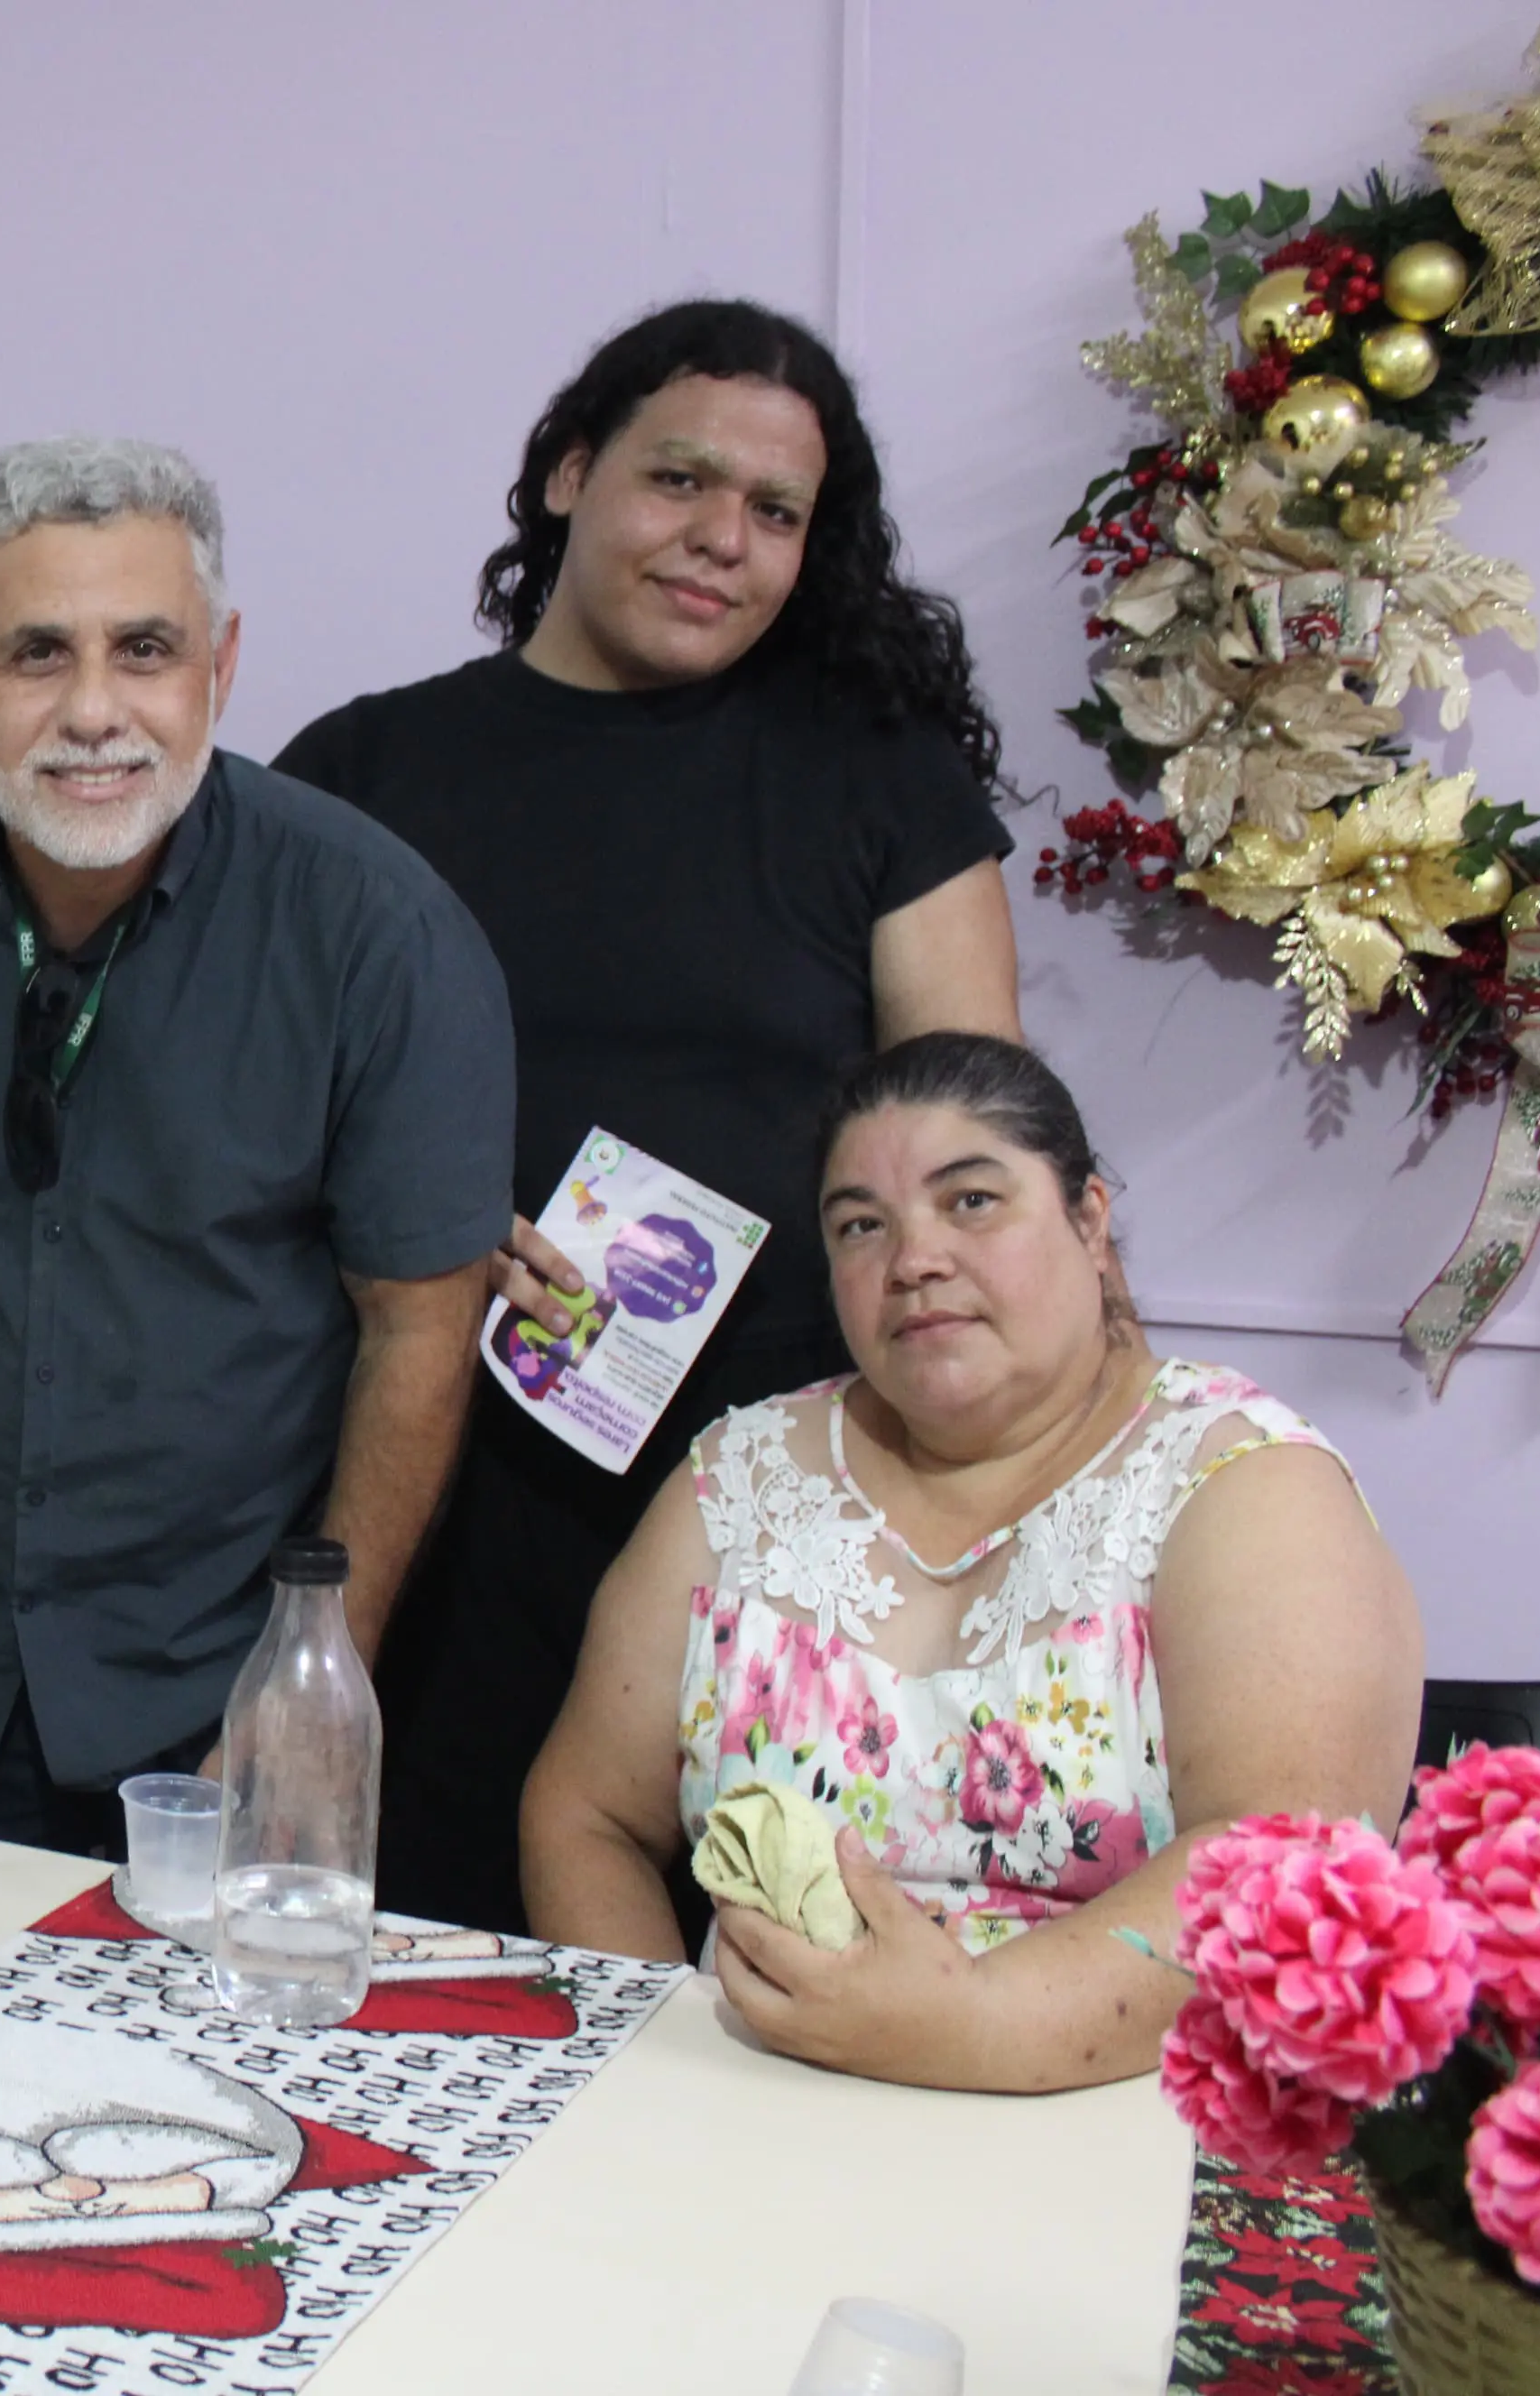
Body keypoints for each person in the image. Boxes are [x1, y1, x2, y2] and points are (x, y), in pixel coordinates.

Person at [274, 300, 1028, 1936]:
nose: (720, 542)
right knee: (435, 1965)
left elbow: (972, 1137)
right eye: (677, 481)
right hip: (432, 1489)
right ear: (562, 474)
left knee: (776, 1971)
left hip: (783, 1497)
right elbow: (244, 1117)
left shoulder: (872, 775)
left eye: (773, 513)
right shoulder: (363, 769)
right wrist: (411, 1215)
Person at [0, 437, 515, 1853]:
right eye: (38, 653)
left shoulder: (377, 934)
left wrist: (316, 1673)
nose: (95, 711)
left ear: (219, 670)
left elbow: (420, 1334)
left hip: (212, 1704)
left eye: (146, 650)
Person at [521, 1035, 1420, 2090]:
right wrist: (657, 2075)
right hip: (755, 2129)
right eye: (863, 1225)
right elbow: (584, 1815)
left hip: (1127, 2139)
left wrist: (978, 2024)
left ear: (1090, 1220)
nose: (916, 1260)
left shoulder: (1238, 1480)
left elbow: (1284, 1858)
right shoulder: (741, 1478)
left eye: (973, 1201)